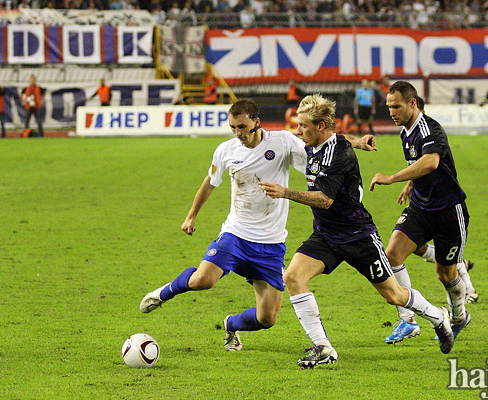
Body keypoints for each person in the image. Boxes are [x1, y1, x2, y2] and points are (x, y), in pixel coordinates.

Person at [139, 98, 376, 352]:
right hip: (236, 233)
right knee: (203, 280)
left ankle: (231, 325)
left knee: (267, 319)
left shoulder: (282, 142)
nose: (238, 133)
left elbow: (325, 141)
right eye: (233, 128)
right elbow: (209, 182)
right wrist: (191, 215)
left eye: (242, 126)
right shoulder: (226, 150)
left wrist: (359, 142)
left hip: (271, 242)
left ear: (256, 122)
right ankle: (164, 292)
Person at [258, 93, 456, 369]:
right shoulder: (322, 140)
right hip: (326, 235)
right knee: (293, 277)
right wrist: (360, 141)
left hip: (358, 236)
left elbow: (324, 200)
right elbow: (341, 136)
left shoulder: (337, 155)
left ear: (321, 127)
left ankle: (437, 316)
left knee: (394, 295)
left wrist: (284, 192)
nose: (298, 130)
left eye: (303, 125)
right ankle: (323, 347)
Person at [370, 81, 471, 347]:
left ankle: (459, 317)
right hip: (420, 208)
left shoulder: (429, 128)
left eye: (396, 106)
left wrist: (392, 177)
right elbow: (418, 164)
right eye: (389, 107)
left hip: (448, 211)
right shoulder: (406, 130)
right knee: (390, 256)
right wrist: (409, 183)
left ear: (412, 103)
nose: (391, 112)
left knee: (445, 274)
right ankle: (408, 320)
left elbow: (431, 161)